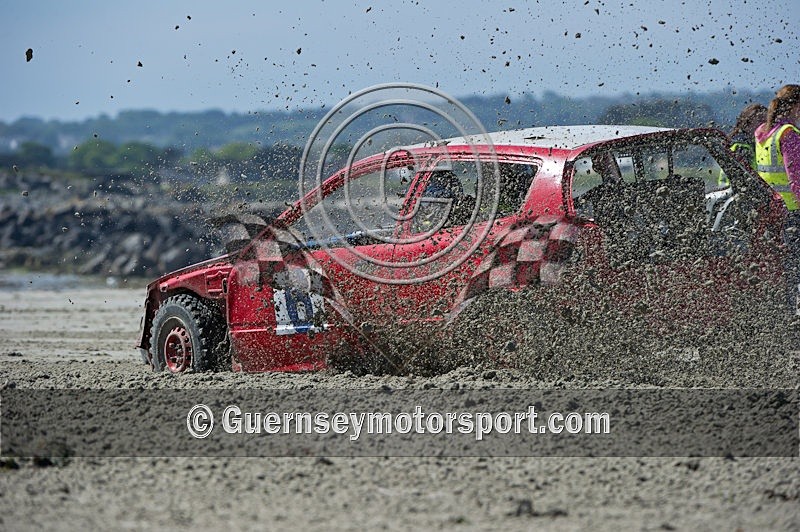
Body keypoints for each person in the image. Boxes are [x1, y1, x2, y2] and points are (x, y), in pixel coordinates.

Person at [755, 84, 800, 315]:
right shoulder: (788, 134)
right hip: (793, 212)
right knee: (795, 268)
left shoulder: (763, 133)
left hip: (773, 211)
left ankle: (786, 312)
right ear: (796, 107)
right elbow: (796, 179)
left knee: (786, 268)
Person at [717, 103, 768, 187]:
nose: (764, 125)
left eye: (766, 121)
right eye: (760, 120)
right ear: (747, 124)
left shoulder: (753, 145)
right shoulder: (741, 148)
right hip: (732, 191)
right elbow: (742, 181)